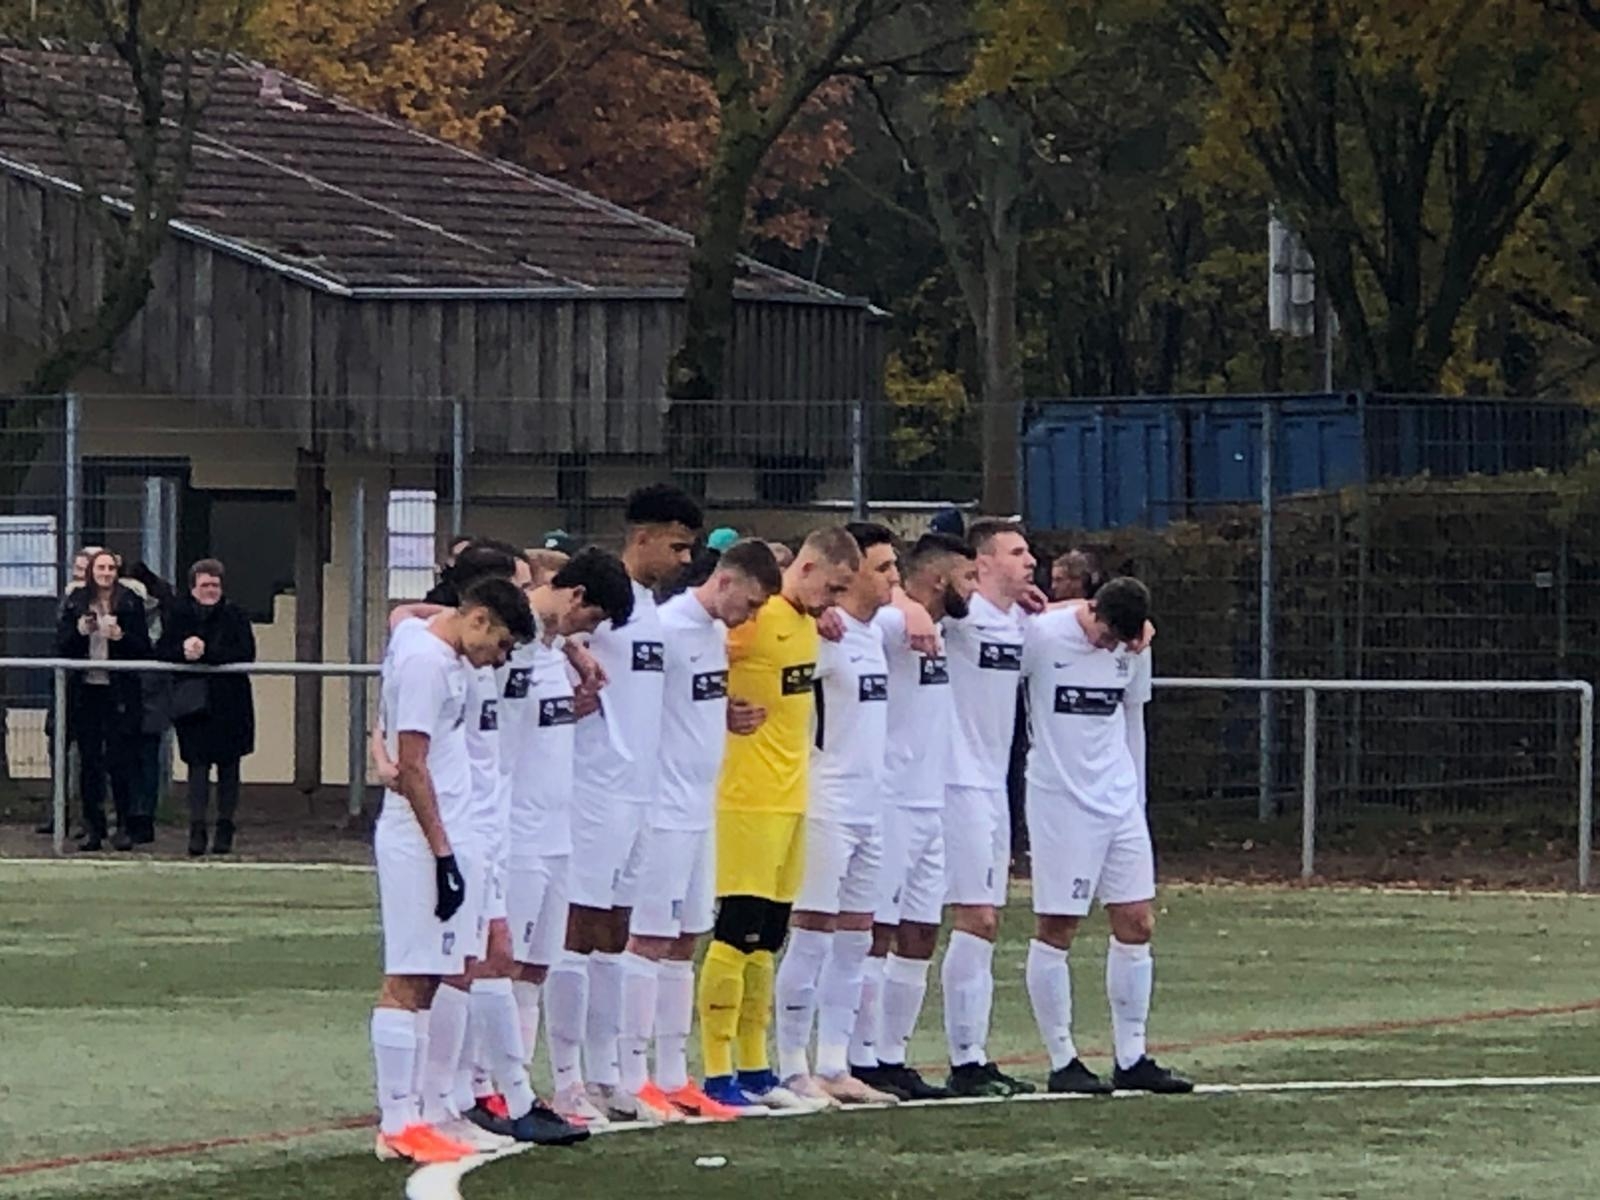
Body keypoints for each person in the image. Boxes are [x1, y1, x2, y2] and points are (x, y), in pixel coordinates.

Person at [368, 577, 541, 1165]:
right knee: (408, 976)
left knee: (431, 977)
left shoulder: (428, 642)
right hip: (423, 839)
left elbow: (401, 616)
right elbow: (414, 765)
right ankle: (397, 1120)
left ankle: (415, 1116)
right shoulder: (428, 665)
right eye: (501, 643)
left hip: (455, 832)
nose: (500, 658)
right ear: (479, 619)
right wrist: (443, 853)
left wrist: (378, 746)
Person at [549, 484, 702, 1125]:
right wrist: (570, 656)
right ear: (642, 537)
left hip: (641, 792)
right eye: (678, 546)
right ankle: (565, 1079)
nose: (685, 559)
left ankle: (607, 1074)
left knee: (616, 932)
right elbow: (543, 603)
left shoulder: (650, 610)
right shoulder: (603, 599)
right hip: (594, 787)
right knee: (578, 928)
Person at [616, 539, 783, 1122]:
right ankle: (630, 1074)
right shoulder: (665, 629)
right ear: (726, 581)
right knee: (649, 939)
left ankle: (672, 1074)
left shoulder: (713, 635)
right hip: (663, 810)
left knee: (686, 940)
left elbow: (688, 705)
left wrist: (725, 715)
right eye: (750, 603)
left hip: (700, 808)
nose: (750, 616)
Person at [695, 526, 860, 1113]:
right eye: (833, 588)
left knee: (768, 938)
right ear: (807, 568)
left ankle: (756, 1068)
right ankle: (716, 1072)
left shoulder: (809, 623)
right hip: (745, 799)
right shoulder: (750, 619)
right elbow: (690, 658)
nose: (835, 601)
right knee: (735, 933)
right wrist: (720, 706)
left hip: (792, 797)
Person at [1020, 577, 1191, 1095]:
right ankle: (1062, 1059)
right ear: (1092, 609)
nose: (1109, 646)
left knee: (1137, 921)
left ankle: (1132, 1056)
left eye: (1120, 640)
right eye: (1106, 635)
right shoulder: (1043, 636)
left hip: (1119, 802)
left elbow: (1133, 715)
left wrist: (1136, 797)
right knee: (1058, 925)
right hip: (1059, 801)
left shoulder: (1135, 646)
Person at [498, 550, 635, 1131]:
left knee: (536, 966)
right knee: (500, 966)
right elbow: (413, 618)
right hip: (514, 832)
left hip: (556, 831)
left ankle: (529, 1089)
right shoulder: (508, 640)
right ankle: (486, 1091)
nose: (590, 632)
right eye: (591, 619)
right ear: (575, 596)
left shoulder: (556, 651)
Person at [774, 523, 904, 1107]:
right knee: (811, 935)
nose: (894, 578)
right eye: (883, 568)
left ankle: (834, 1063)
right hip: (826, 803)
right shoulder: (822, 636)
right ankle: (790, 1064)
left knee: (857, 939)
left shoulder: (875, 634)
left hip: (871, 807)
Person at [848, 532, 979, 1101]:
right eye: (968, 578)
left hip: (931, 801)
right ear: (940, 579)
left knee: (921, 930)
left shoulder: (941, 629)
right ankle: (858, 1057)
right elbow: (846, 624)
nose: (975, 589)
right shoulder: (890, 625)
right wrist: (903, 604)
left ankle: (892, 1055)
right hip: (891, 800)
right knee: (877, 931)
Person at [937, 519, 1040, 1096]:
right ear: (982, 563)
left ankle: (974, 1054)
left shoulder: (1019, 621)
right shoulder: (960, 616)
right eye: (1016, 552)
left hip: (995, 785)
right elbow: (912, 602)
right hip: (956, 782)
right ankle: (964, 1058)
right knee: (974, 917)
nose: (1030, 561)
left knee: (986, 920)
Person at [157, 559, 258, 857]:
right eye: (205, 585)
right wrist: (183, 651)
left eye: (215, 585)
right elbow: (162, 650)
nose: (210, 590)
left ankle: (225, 828)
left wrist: (207, 652)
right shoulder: (179, 614)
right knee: (197, 769)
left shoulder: (235, 614)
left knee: (230, 768)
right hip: (193, 704)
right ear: (193, 588)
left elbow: (246, 653)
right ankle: (197, 829)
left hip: (230, 703)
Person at [56, 550, 150, 852]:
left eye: (110, 568)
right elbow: (61, 645)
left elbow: (144, 648)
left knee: (120, 760)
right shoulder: (76, 601)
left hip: (119, 691)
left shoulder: (130, 601)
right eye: (101, 567)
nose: (106, 573)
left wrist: (120, 636)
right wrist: (80, 632)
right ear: (91, 572)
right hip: (86, 691)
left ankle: (123, 825)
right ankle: (93, 828)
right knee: (89, 762)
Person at [125, 562, 175, 847]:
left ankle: (142, 817)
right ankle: (136, 816)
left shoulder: (157, 615)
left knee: (145, 758)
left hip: (149, 693)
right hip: (138, 693)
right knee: (138, 759)